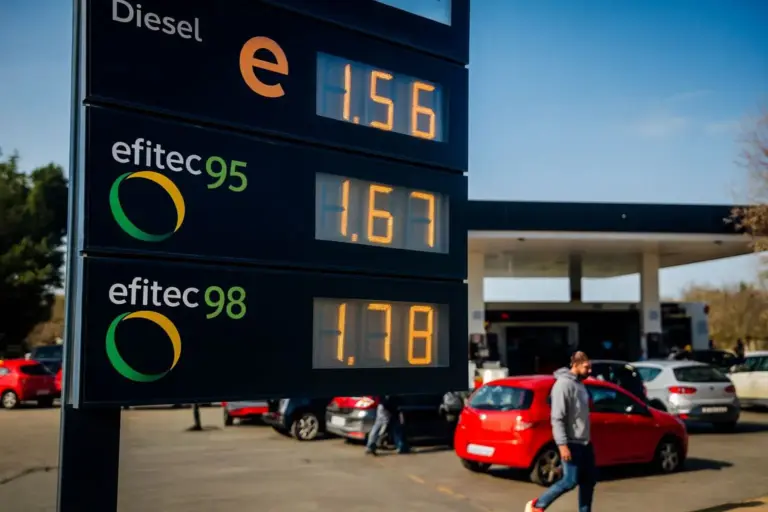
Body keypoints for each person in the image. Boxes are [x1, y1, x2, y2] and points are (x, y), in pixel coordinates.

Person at [526, 351, 595, 512]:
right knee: (570, 481)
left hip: (585, 442)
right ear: (575, 365)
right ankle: (537, 505)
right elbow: (557, 417)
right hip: (571, 442)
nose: (590, 371)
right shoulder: (563, 385)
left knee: (588, 481)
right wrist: (563, 445)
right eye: (586, 367)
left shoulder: (580, 384)